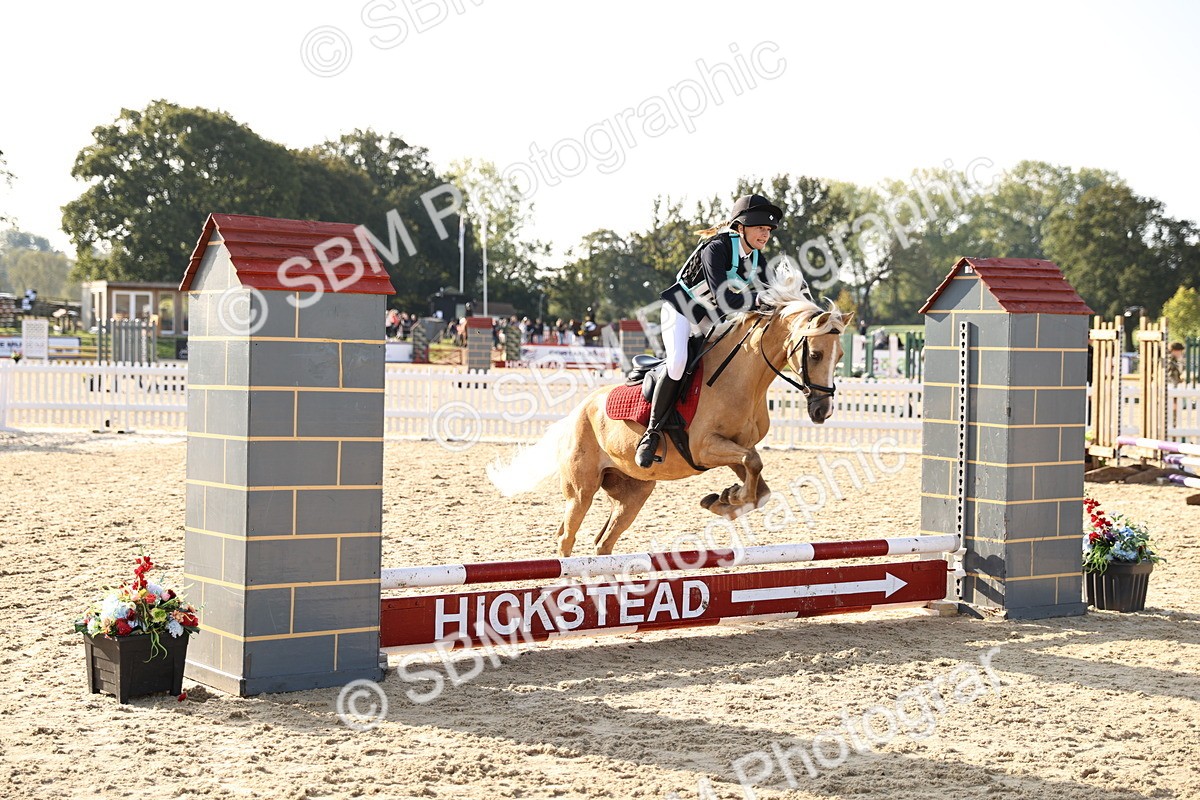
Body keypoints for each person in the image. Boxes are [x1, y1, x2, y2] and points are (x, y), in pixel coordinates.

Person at [634, 193, 785, 468]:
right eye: (760, 228)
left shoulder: (758, 260)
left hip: (709, 318)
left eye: (768, 230)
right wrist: (759, 300)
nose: (766, 234)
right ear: (740, 227)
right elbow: (725, 297)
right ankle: (651, 433)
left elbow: (771, 294)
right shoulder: (716, 248)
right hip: (680, 310)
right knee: (679, 362)